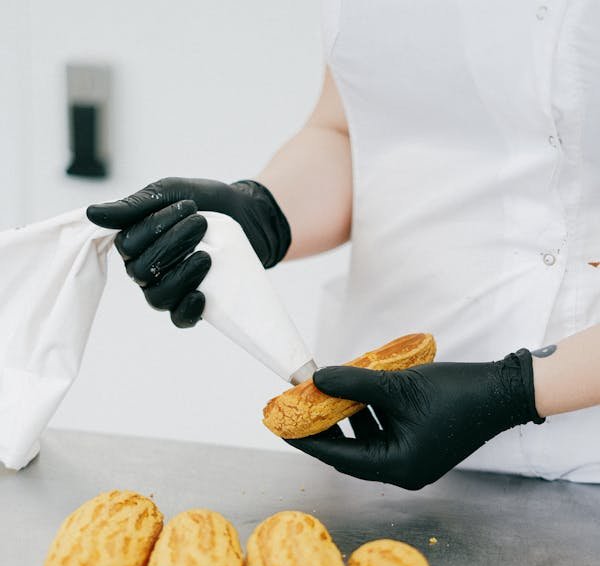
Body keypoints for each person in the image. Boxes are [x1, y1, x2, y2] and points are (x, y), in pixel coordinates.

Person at [87, 1, 600, 489]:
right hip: (380, 427)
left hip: (584, 449)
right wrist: (263, 215)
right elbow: (348, 130)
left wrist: (514, 390)